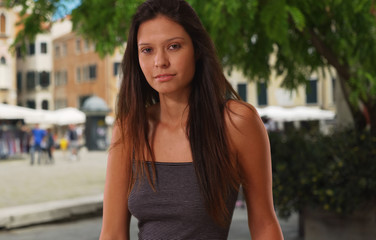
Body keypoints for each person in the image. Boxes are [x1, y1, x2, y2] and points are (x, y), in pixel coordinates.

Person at [100, 0, 283, 239]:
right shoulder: (129, 128)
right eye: (147, 50)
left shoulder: (236, 123)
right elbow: (112, 233)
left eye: (173, 46)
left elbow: (264, 225)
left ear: (197, 49)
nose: (160, 62)